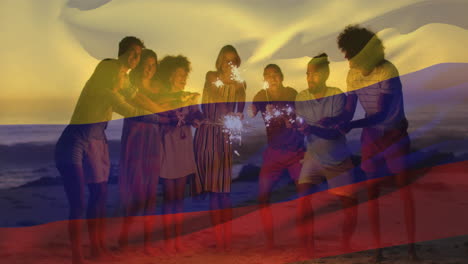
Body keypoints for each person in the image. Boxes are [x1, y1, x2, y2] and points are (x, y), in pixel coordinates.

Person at [55, 36, 164, 264]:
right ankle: (77, 255)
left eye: (138, 55)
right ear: (121, 52)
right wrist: (162, 118)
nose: (136, 59)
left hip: (96, 141)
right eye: (132, 53)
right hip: (74, 142)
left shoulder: (121, 77)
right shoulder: (108, 69)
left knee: (100, 196)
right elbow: (125, 107)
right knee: (78, 203)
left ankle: (97, 246)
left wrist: (166, 111)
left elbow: (138, 97)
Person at [336, 25, 417, 262]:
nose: (347, 59)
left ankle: (412, 249)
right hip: (370, 136)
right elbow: (350, 110)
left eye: (350, 54)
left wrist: (350, 125)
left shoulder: (387, 71)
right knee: (372, 193)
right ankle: (378, 251)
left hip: (394, 135)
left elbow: (381, 114)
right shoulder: (352, 75)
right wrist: (335, 121)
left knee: (404, 192)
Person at [295, 53, 358, 255]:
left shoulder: (337, 96)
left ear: (325, 74)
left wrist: (310, 129)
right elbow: (301, 126)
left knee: (348, 203)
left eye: (313, 74)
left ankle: (345, 244)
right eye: (307, 74)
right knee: (303, 196)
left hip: (337, 155)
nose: (309, 78)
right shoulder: (301, 97)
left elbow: (334, 132)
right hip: (312, 154)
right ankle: (308, 245)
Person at [118, 49, 174, 255]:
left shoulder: (159, 88)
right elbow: (141, 112)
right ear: (139, 66)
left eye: (153, 65)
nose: (150, 69)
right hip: (134, 142)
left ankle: (147, 241)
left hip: (153, 142)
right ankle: (125, 237)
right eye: (146, 65)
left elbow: (167, 109)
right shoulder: (129, 87)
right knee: (135, 192)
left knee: (150, 193)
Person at [193, 45, 246, 251]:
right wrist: (230, 114)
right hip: (207, 134)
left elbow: (239, 109)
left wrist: (237, 116)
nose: (229, 63)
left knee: (224, 191)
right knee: (216, 190)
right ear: (219, 61)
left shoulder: (241, 84)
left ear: (237, 62)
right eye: (226, 59)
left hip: (224, 136)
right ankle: (219, 237)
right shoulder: (211, 75)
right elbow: (215, 101)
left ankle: (227, 237)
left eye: (233, 60)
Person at [249, 64, 305, 249]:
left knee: (303, 195)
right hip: (273, 153)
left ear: (282, 77)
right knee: (263, 197)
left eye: (275, 75)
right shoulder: (261, 96)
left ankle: (305, 238)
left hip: (295, 151)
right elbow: (251, 111)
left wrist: (293, 122)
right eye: (268, 75)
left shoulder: (292, 93)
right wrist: (252, 111)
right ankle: (270, 240)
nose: (272, 78)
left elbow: (302, 117)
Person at [156, 55, 203, 253]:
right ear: (169, 76)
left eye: (185, 75)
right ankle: (168, 239)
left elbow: (196, 114)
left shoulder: (190, 97)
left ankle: (177, 238)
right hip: (169, 145)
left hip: (184, 147)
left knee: (179, 196)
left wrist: (197, 120)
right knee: (169, 195)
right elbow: (160, 118)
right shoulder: (163, 98)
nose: (183, 79)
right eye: (178, 75)